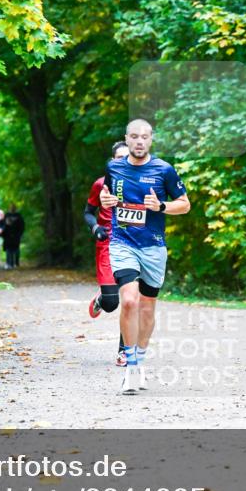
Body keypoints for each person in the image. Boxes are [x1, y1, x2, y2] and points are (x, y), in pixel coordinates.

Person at [99, 119, 190, 394]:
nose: (140, 141)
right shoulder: (114, 167)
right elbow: (106, 195)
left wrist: (161, 205)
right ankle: (130, 367)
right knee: (129, 301)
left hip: (153, 246)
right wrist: (106, 201)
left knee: (147, 308)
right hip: (122, 243)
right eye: (135, 137)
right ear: (126, 139)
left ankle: (140, 359)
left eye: (145, 137)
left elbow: (185, 205)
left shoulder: (164, 170)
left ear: (151, 140)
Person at [85, 141, 131, 365]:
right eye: (119, 158)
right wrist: (95, 228)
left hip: (133, 246)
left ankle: (124, 351)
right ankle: (102, 299)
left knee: (131, 299)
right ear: (113, 161)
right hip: (107, 246)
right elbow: (88, 212)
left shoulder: (139, 184)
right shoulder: (100, 185)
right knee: (112, 304)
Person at [3, 204, 25, 269]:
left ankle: (16, 263)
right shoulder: (6, 215)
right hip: (7, 236)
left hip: (16, 236)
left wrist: (20, 234)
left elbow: (22, 226)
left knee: (16, 250)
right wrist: (3, 234)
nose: (12, 208)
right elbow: (2, 225)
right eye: (11, 207)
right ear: (9, 208)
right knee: (8, 250)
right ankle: (9, 263)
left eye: (13, 207)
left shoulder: (19, 216)